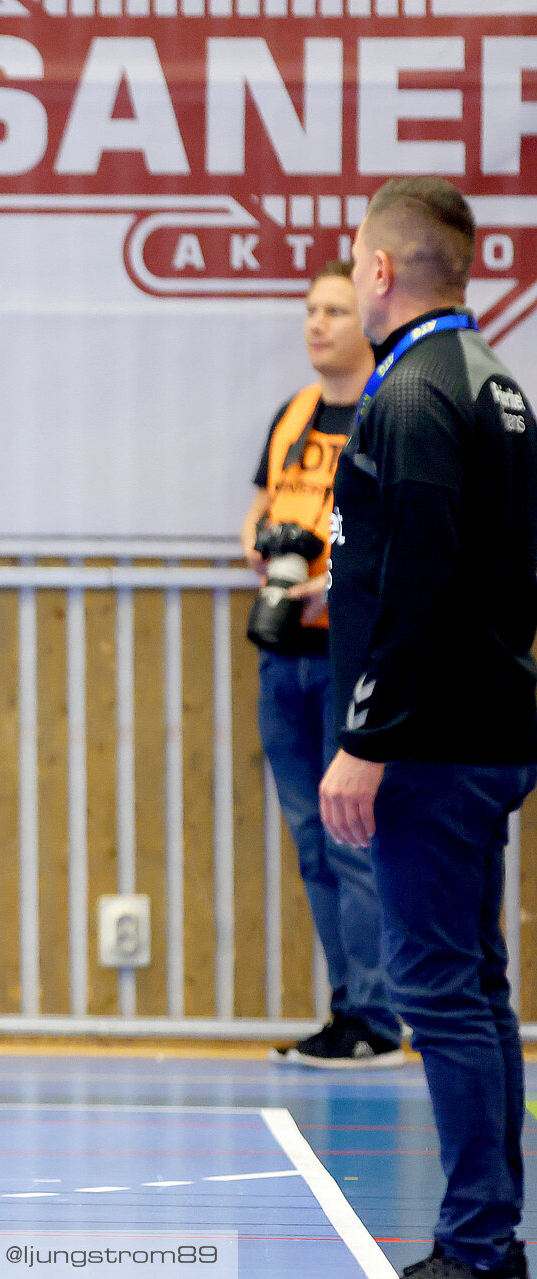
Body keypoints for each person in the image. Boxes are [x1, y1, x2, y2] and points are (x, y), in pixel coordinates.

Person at [321, 177, 537, 1279]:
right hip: (483, 731)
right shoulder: (497, 386)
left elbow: (418, 582)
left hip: (432, 746)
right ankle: (488, 1235)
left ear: (381, 271)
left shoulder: (411, 397)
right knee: (476, 987)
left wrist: (368, 738)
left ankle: (478, 1246)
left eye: (354, 264)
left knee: (440, 991)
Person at [240, 262, 405, 1069]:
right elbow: (262, 505)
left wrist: (327, 583)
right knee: (311, 837)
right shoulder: (295, 414)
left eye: (334, 309)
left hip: (352, 652)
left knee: (353, 837)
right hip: (285, 653)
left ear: (364, 318)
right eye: (309, 309)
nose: (317, 323)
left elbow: (400, 536)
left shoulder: (390, 410)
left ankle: (377, 1014)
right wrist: (261, 550)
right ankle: (346, 1007)